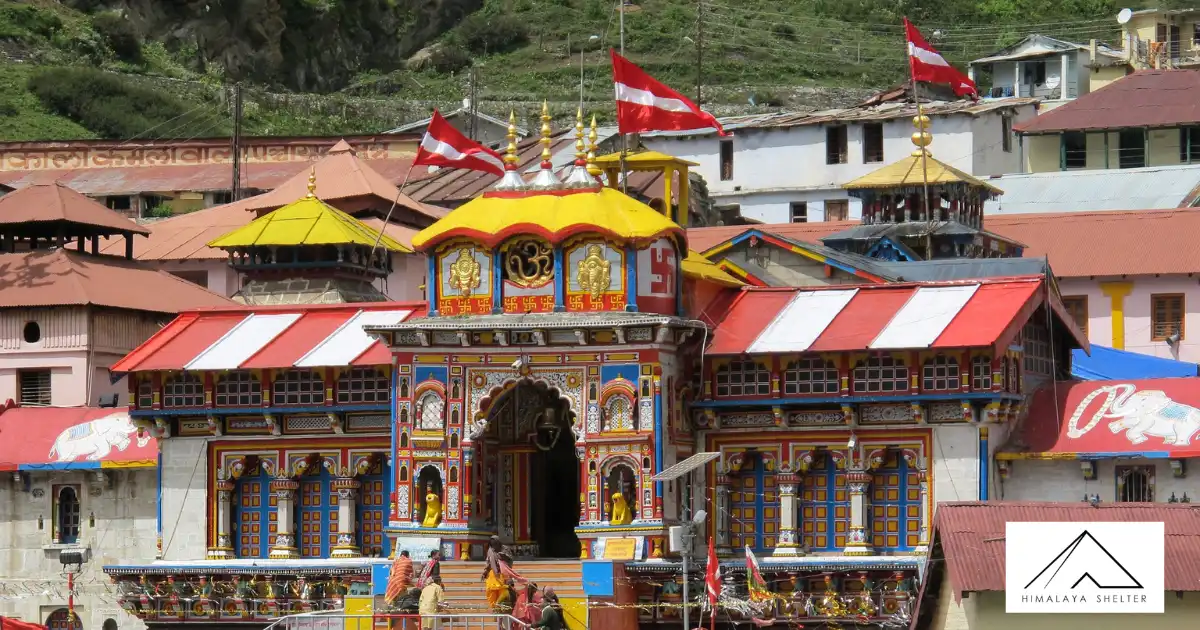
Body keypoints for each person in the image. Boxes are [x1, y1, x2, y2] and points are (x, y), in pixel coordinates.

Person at [481, 537, 523, 611]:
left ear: (499, 543)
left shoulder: (505, 549)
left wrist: (504, 557)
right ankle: (495, 611)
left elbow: (510, 560)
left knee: (506, 594)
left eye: (495, 544)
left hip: (504, 574)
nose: (494, 546)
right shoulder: (490, 551)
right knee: (492, 594)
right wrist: (485, 572)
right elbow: (489, 563)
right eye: (492, 545)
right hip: (494, 576)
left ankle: (507, 610)